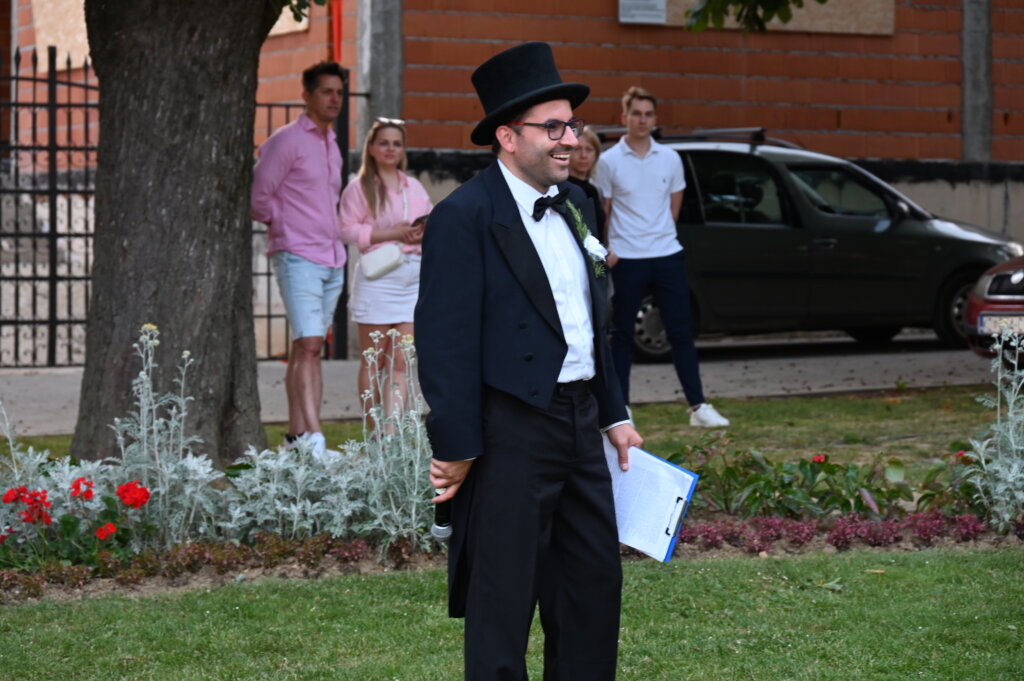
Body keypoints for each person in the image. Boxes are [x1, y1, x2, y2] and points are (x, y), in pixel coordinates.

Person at [415, 42, 643, 681]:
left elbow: (594, 325)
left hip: (580, 423)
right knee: (502, 600)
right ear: (508, 136)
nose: (570, 139)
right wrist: (457, 447)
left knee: (591, 589)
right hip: (509, 431)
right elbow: (445, 343)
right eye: (554, 127)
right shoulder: (463, 217)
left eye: (572, 125)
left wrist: (614, 414)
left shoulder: (580, 204)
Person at [595, 86, 729, 428]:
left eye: (648, 114)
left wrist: (658, 237)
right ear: (624, 117)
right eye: (636, 114)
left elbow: (674, 208)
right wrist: (609, 250)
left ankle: (698, 407)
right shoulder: (608, 161)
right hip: (627, 258)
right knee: (621, 335)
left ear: (655, 119)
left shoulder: (670, 158)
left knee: (681, 331)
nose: (642, 120)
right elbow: (605, 211)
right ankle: (621, 410)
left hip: (667, 255)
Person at [251, 61, 347, 455]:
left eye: (339, 92)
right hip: (298, 255)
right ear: (306, 95)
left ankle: (297, 437)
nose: (335, 99)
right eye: (326, 92)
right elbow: (259, 196)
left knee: (306, 347)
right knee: (309, 343)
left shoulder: (331, 143)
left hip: (332, 257)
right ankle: (315, 437)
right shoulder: (286, 141)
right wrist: (285, 226)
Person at [340, 118, 432, 417]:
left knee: (402, 361)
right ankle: (375, 432)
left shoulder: (414, 187)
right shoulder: (359, 188)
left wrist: (420, 233)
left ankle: (391, 435)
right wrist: (393, 233)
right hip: (379, 279)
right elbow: (347, 230)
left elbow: (433, 223)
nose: (390, 149)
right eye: (384, 143)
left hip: (412, 278)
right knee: (375, 360)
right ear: (371, 148)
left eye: (396, 144)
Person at [567, 125, 608, 246]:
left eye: (589, 149)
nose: (583, 155)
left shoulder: (594, 189)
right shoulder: (562, 189)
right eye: (577, 149)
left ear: (596, 154)